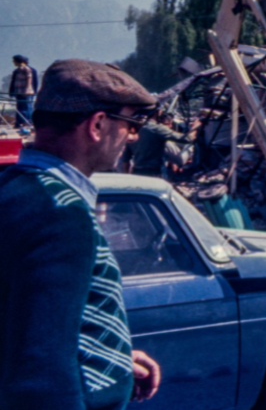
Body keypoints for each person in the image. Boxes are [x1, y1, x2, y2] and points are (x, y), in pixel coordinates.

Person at [0, 59, 161, 409]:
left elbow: (27, 319)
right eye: (131, 124)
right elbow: (42, 372)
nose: (133, 137)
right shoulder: (61, 213)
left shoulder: (12, 189)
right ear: (98, 124)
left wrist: (112, 356)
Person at [130, 110, 197, 178]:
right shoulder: (157, 128)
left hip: (136, 171)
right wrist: (196, 126)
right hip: (153, 172)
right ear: (157, 112)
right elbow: (188, 139)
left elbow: (125, 159)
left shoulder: (133, 129)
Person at [9, 54, 38, 130]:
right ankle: (19, 123)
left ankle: (27, 123)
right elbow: (14, 81)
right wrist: (11, 91)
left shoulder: (29, 70)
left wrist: (32, 91)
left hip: (26, 92)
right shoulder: (16, 71)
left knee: (27, 107)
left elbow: (32, 81)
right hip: (19, 91)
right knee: (20, 107)